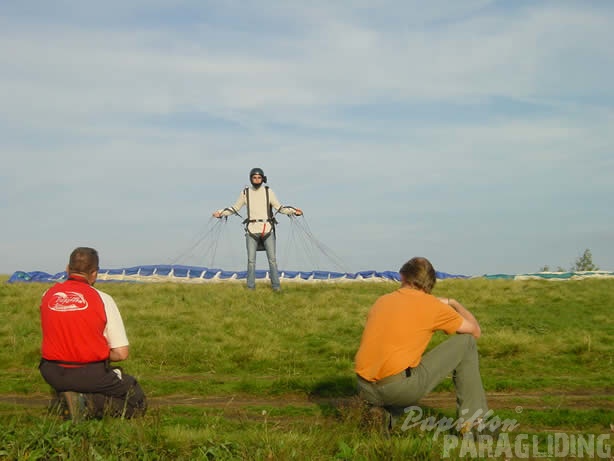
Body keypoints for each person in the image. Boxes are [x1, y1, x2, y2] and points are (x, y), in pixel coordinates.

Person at [354, 256, 488, 434]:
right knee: (467, 342)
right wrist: (453, 303)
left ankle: (381, 413)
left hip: (364, 388)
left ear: (402, 276)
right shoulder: (432, 305)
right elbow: (475, 331)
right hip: (396, 388)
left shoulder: (382, 300)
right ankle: (473, 424)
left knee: (399, 366)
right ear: (430, 283)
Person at [39, 247, 147, 419]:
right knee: (136, 400)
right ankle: (86, 403)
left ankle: (69, 397)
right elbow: (121, 353)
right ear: (94, 273)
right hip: (89, 372)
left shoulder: (47, 295)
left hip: (52, 371)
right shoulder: (103, 299)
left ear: (67, 269)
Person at [212, 167, 303, 291]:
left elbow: (279, 208)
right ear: (251, 179)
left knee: (272, 260)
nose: (256, 180)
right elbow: (235, 208)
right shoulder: (245, 192)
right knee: (251, 261)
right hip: (251, 230)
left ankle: (276, 287)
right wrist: (220, 213)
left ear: (262, 178)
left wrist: (293, 211)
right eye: (254, 178)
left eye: (259, 177)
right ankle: (250, 288)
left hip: (267, 230)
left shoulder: (268, 191)